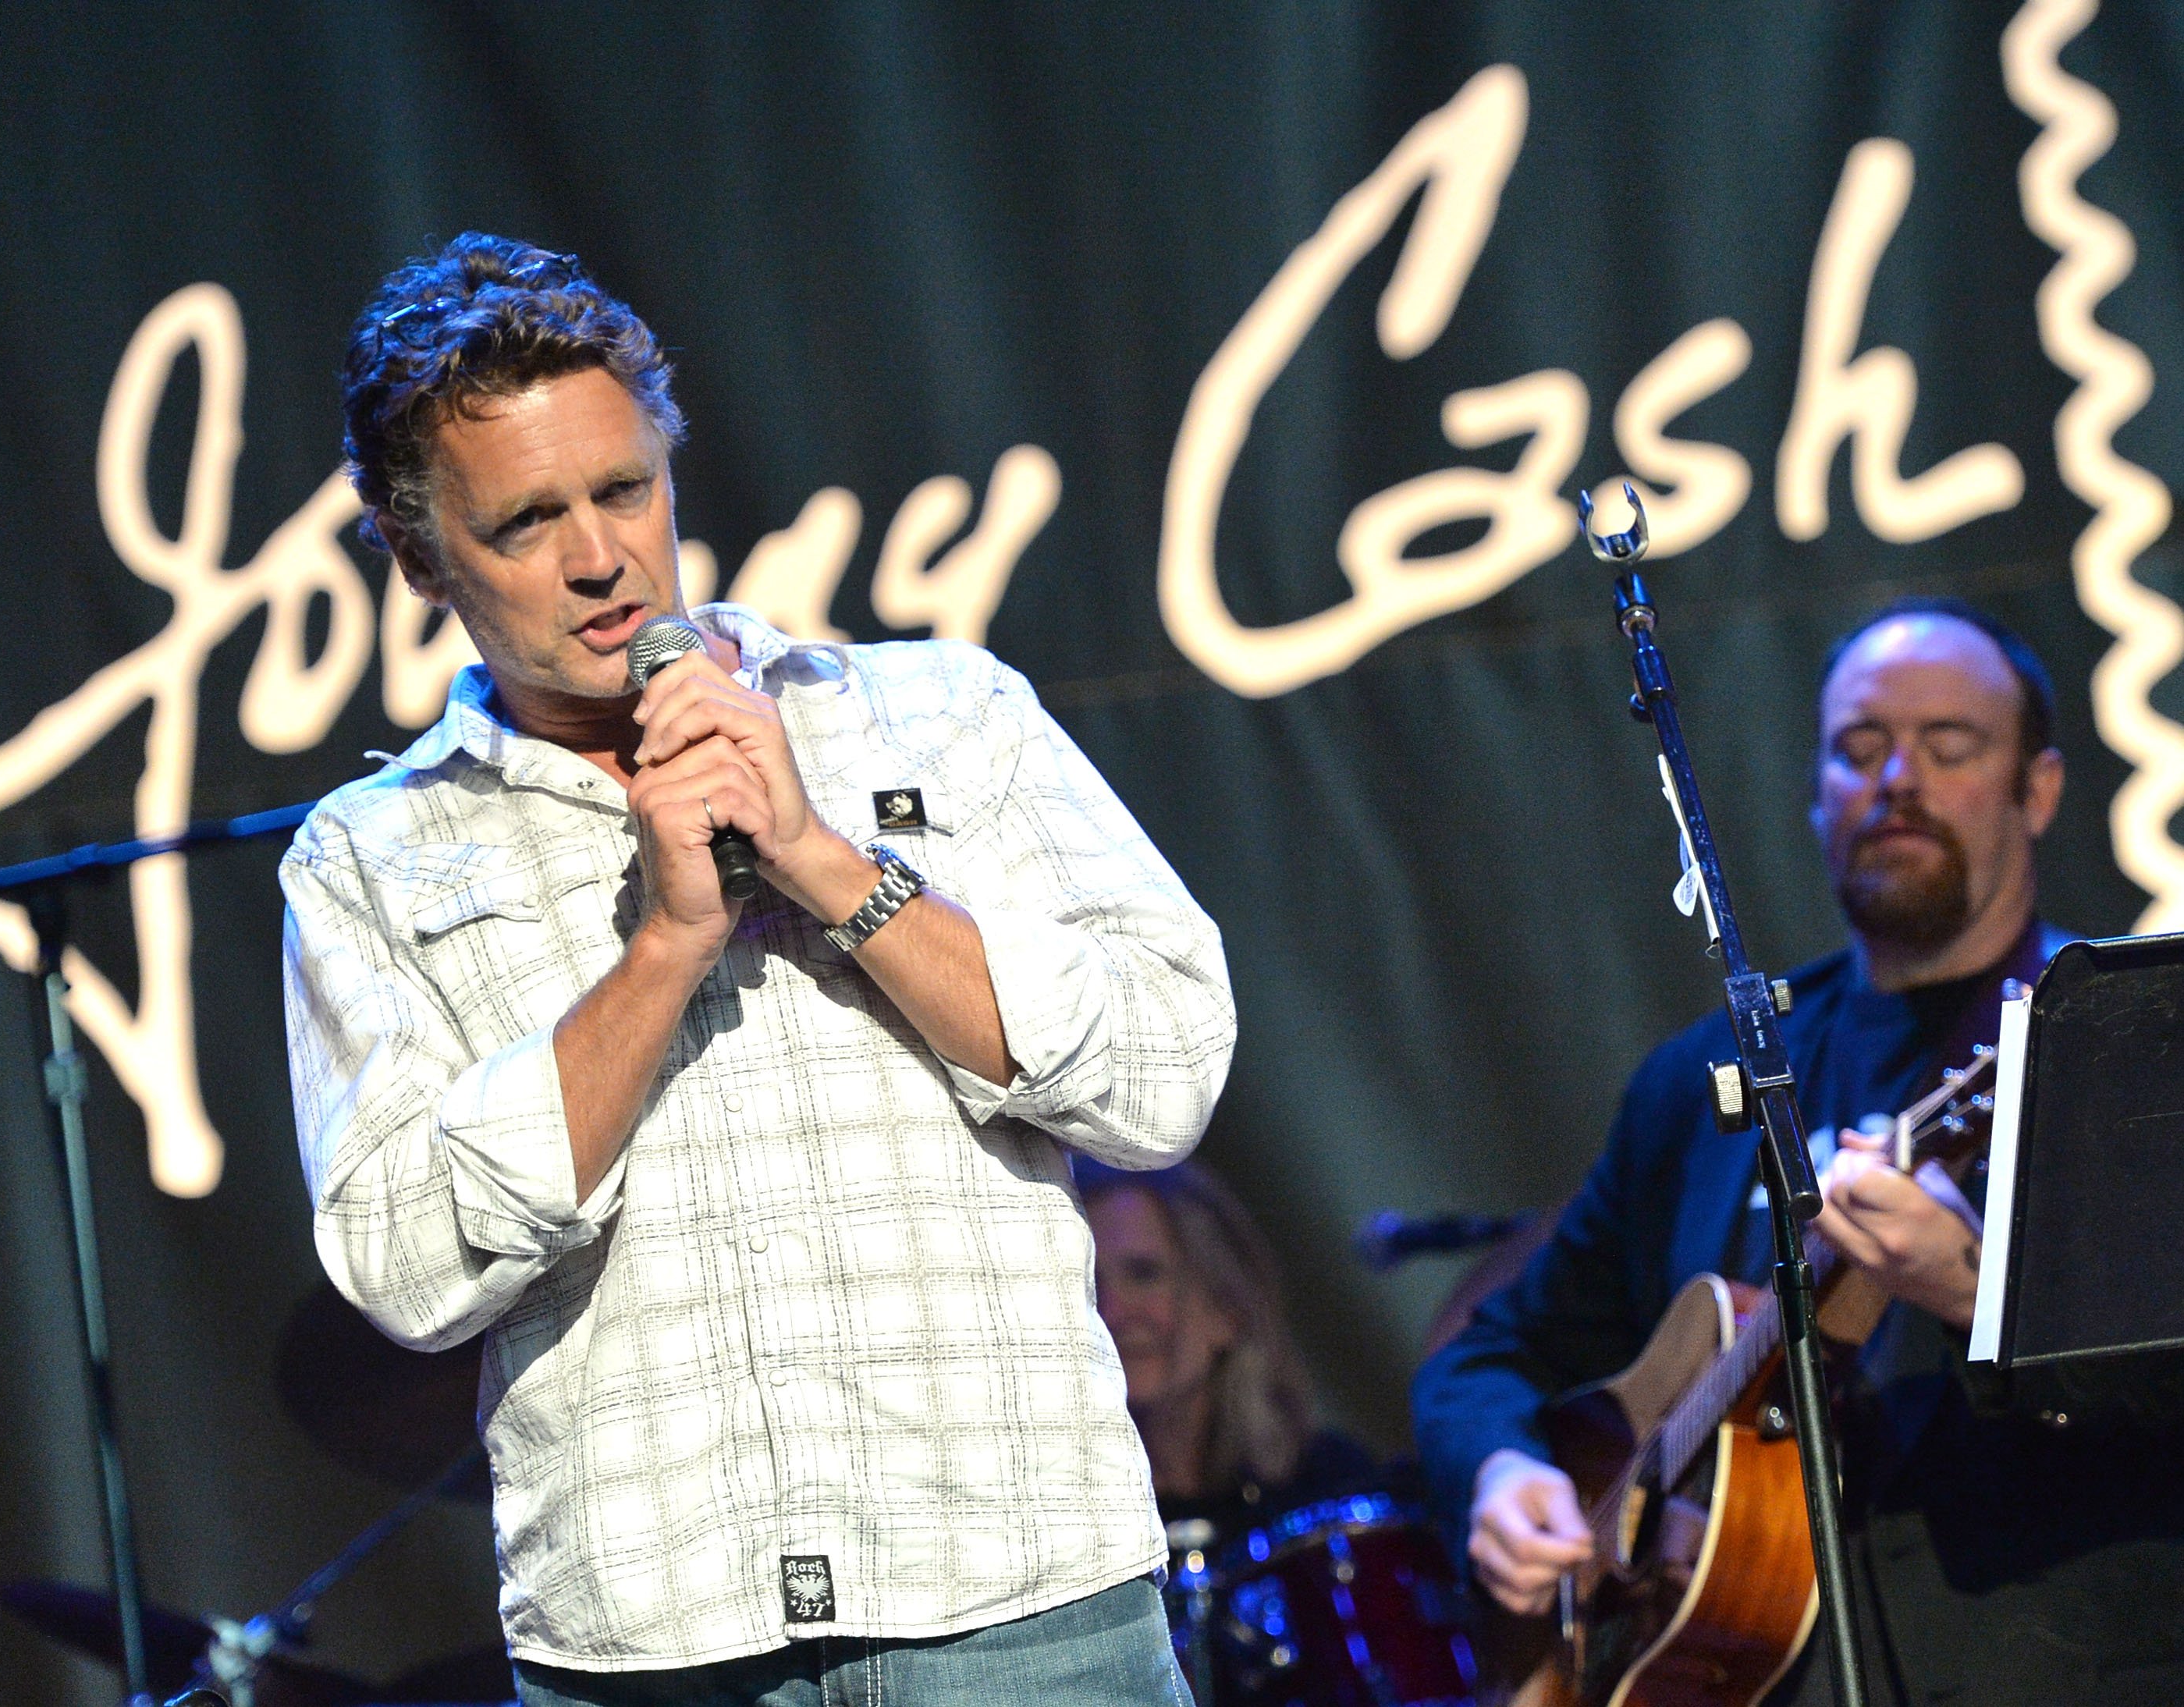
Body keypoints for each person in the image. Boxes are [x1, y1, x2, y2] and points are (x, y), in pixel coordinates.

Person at [280, 233, 1237, 1705]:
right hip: (653, 1647)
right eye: (527, 520)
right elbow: (408, 1267)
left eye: (624, 489)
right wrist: (665, 945)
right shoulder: (374, 858)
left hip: (1021, 1607)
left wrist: (822, 860)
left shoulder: (943, 715)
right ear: (417, 555)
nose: (600, 556)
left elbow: (1164, 1075)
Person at [1412, 600, 2184, 1703]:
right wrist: (1502, 1471)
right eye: (1859, 749)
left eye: (1950, 744)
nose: (1897, 779)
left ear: (2040, 789)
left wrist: (1975, 1295)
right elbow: (1488, 1354)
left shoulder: (2130, 1041)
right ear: (1816, 796)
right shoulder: (1699, 1085)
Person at [1076, 1157, 1379, 1538]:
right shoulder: (1057, 1521)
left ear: (1226, 1308)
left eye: (1144, 1275)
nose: (1110, 1312)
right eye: (1087, 1285)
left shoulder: (1324, 1487)